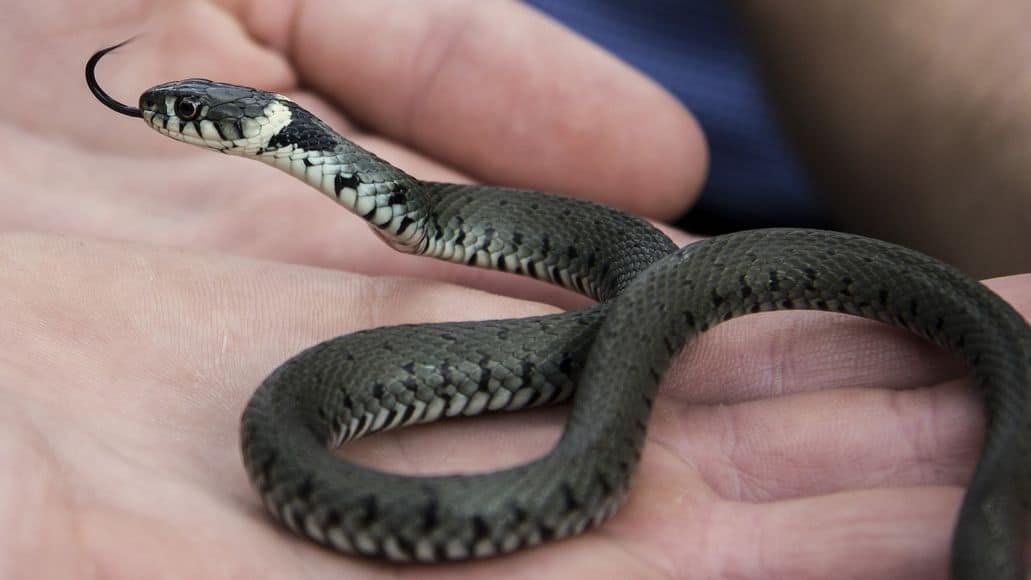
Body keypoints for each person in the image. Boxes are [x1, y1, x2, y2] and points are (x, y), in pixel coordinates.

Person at [1, 1, 1028, 578]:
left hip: (780, 185)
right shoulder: (374, 192)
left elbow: (424, 211)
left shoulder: (399, 194)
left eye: (186, 113)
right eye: (180, 111)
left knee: (649, 270)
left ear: (247, 127)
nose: (172, 115)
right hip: (676, 217)